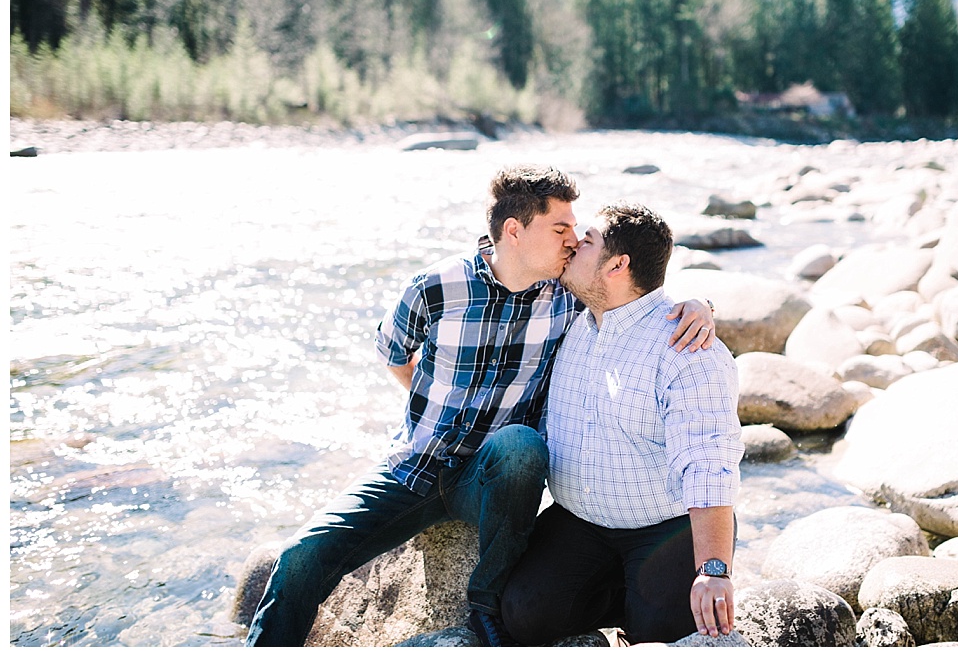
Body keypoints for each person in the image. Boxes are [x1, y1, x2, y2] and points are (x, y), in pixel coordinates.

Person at [245, 166, 715, 647]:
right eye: (560, 229)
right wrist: (426, 411)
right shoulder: (435, 286)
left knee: (520, 445)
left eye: (575, 230)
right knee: (300, 557)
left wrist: (700, 305)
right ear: (514, 230)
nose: (573, 241)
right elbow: (392, 351)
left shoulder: (567, 296)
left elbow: (633, 294)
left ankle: (486, 603)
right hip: (414, 469)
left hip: (495, 478)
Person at [500, 202, 743, 646]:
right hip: (581, 523)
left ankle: (645, 603)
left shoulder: (686, 347)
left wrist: (712, 571)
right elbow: (504, 260)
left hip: (666, 530)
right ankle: (624, 596)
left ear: (617, 264)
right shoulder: (570, 315)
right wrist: (705, 301)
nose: (571, 246)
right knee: (524, 616)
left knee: (663, 637)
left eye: (586, 241)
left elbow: (710, 463)